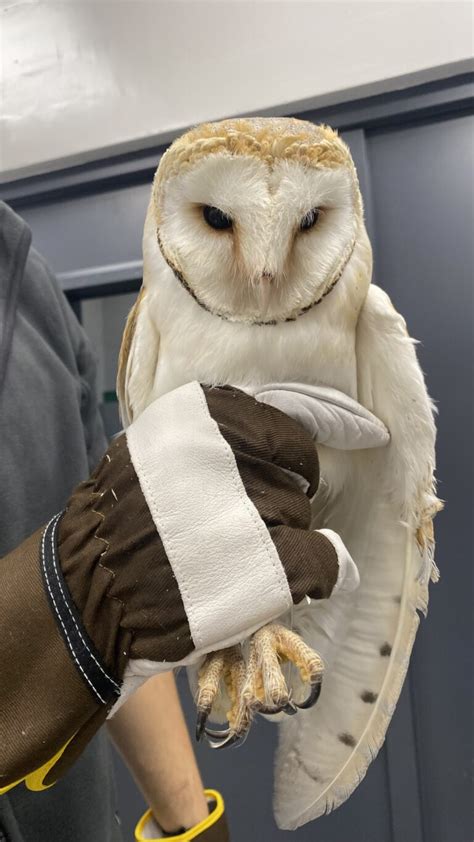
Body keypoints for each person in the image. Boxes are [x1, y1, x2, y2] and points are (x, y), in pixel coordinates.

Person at [0, 203, 357, 840]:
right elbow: (98, 580)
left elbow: (122, 606)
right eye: (219, 219)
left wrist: (189, 827)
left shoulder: (27, 285)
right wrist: (65, 590)